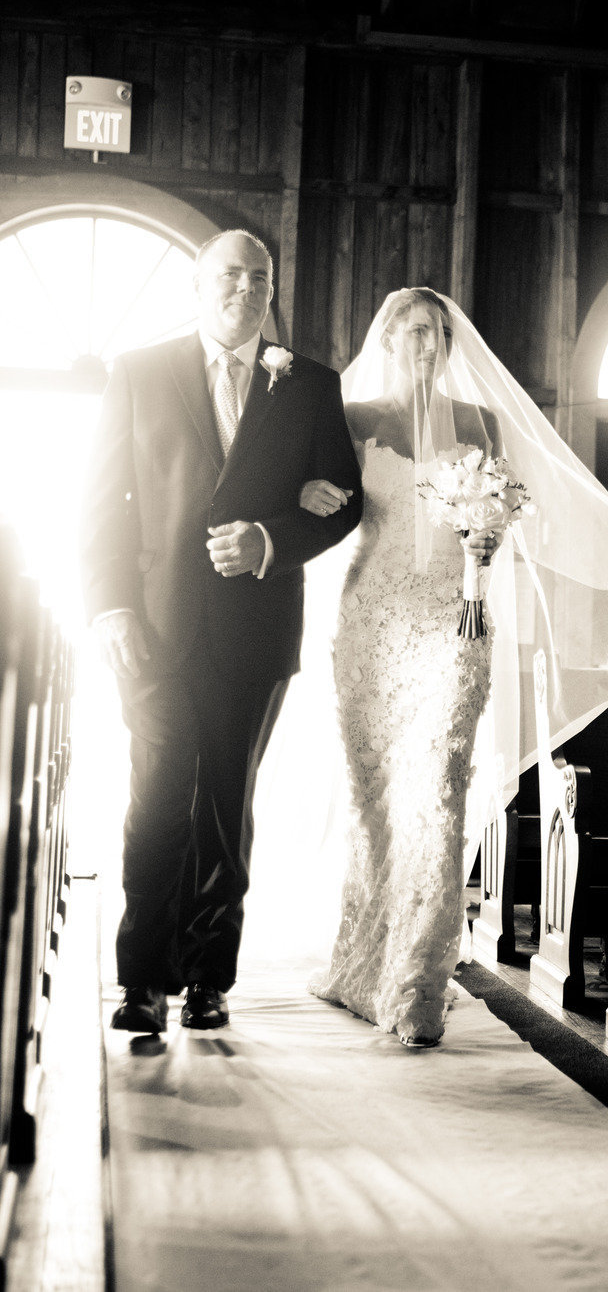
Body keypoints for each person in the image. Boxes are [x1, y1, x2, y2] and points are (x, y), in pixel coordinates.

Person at [298, 287, 608, 1048]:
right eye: (412, 331)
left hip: (458, 621)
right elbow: (324, 503)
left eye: (437, 334)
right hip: (371, 622)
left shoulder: (479, 424)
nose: (425, 344)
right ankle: (361, 961)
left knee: (439, 789)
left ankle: (417, 978)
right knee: (375, 794)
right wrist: (307, 494)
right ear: (386, 339)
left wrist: (488, 533)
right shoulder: (351, 421)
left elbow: (513, 513)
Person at [81, 229, 362, 1035]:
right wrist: (108, 605)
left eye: (260, 277)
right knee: (159, 795)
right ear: (200, 286)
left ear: (273, 292)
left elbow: (345, 497)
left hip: (254, 627)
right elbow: (98, 501)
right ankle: (142, 982)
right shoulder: (140, 372)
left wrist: (271, 539)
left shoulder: (307, 385)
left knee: (225, 807)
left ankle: (209, 977)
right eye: (230, 274)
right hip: (154, 625)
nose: (246, 288)